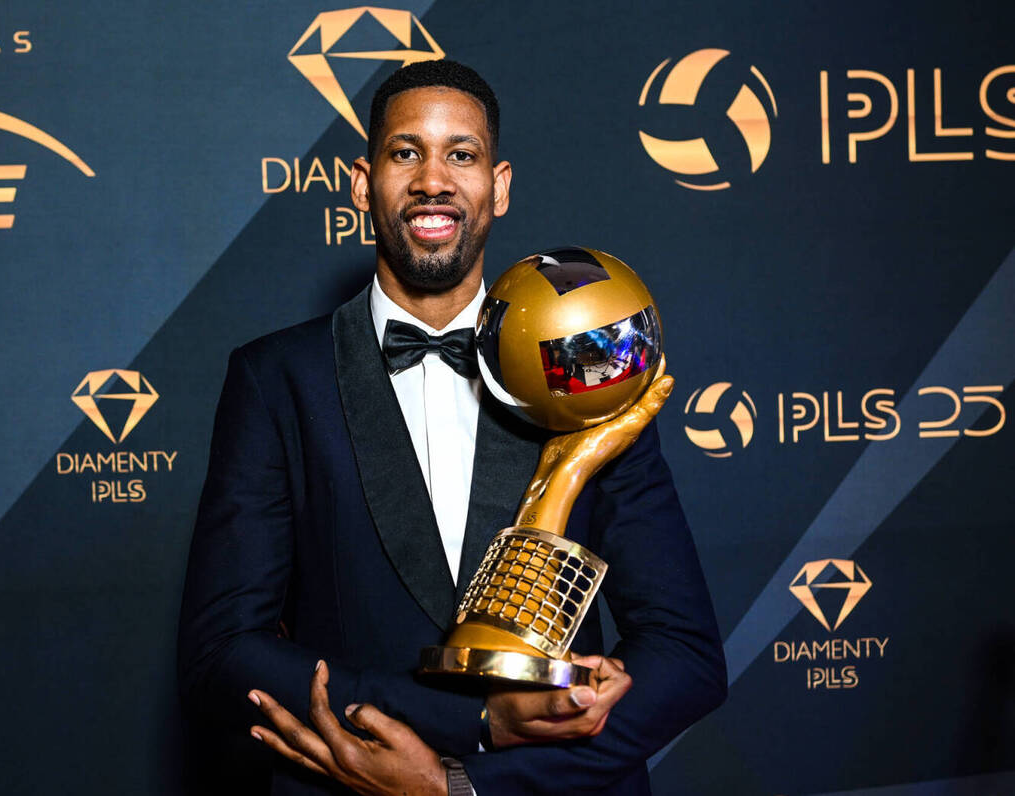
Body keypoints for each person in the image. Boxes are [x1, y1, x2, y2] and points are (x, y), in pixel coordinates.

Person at [178, 60, 726, 795]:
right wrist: (478, 724)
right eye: (406, 152)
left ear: (498, 186)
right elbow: (222, 655)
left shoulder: (588, 364)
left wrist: (458, 787)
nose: (433, 180)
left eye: (461, 155)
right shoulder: (275, 379)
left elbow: (686, 657)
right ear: (362, 184)